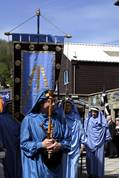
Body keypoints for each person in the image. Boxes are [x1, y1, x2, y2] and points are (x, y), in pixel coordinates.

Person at [20, 88, 71, 178]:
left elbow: (68, 141)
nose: (54, 104)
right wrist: (41, 145)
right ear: (41, 103)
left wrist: (59, 145)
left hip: (55, 167)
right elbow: (24, 144)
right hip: (37, 168)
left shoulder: (59, 119)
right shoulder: (29, 120)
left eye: (54, 101)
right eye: (50, 101)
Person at [60, 98, 86, 178]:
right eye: (65, 106)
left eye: (69, 106)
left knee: (74, 167)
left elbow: (81, 132)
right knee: (63, 167)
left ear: (72, 107)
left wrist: (82, 144)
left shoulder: (77, 119)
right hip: (63, 147)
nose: (67, 107)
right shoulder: (60, 118)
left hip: (74, 148)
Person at [84, 107, 111, 178]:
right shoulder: (88, 120)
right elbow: (85, 130)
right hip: (90, 143)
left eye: (95, 112)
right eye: (92, 112)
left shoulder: (102, 121)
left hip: (100, 144)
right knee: (90, 159)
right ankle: (90, 174)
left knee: (99, 159)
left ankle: (98, 175)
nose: (93, 113)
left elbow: (106, 129)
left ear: (98, 113)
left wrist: (106, 138)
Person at [0, 97, 22, 178]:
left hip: (13, 148)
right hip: (9, 148)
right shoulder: (6, 118)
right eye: (10, 105)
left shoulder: (12, 118)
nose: (11, 107)